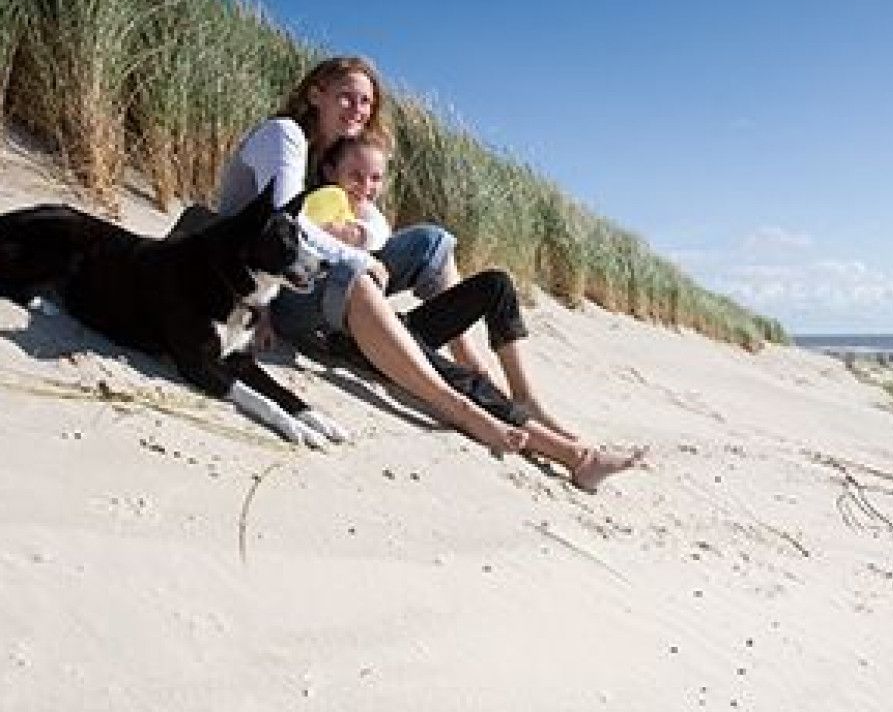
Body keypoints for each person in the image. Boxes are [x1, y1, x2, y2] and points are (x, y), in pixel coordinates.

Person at [217, 56, 645, 489]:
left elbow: (376, 227)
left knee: (433, 241)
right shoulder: (285, 137)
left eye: (366, 101)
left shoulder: (342, 159)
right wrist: (356, 262)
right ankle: (462, 409)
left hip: (314, 280)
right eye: (346, 96)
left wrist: (362, 237)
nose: (357, 108)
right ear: (316, 94)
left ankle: (482, 366)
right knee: (361, 283)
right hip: (268, 286)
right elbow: (283, 229)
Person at [309, 129, 573, 437]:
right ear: (330, 172)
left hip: (387, 321)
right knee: (455, 374)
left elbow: (380, 236)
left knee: (497, 284)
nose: (366, 187)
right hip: (348, 336)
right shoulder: (318, 209)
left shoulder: (368, 219)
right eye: (356, 176)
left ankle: (525, 396)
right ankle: (556, 446)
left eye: (375, 178)